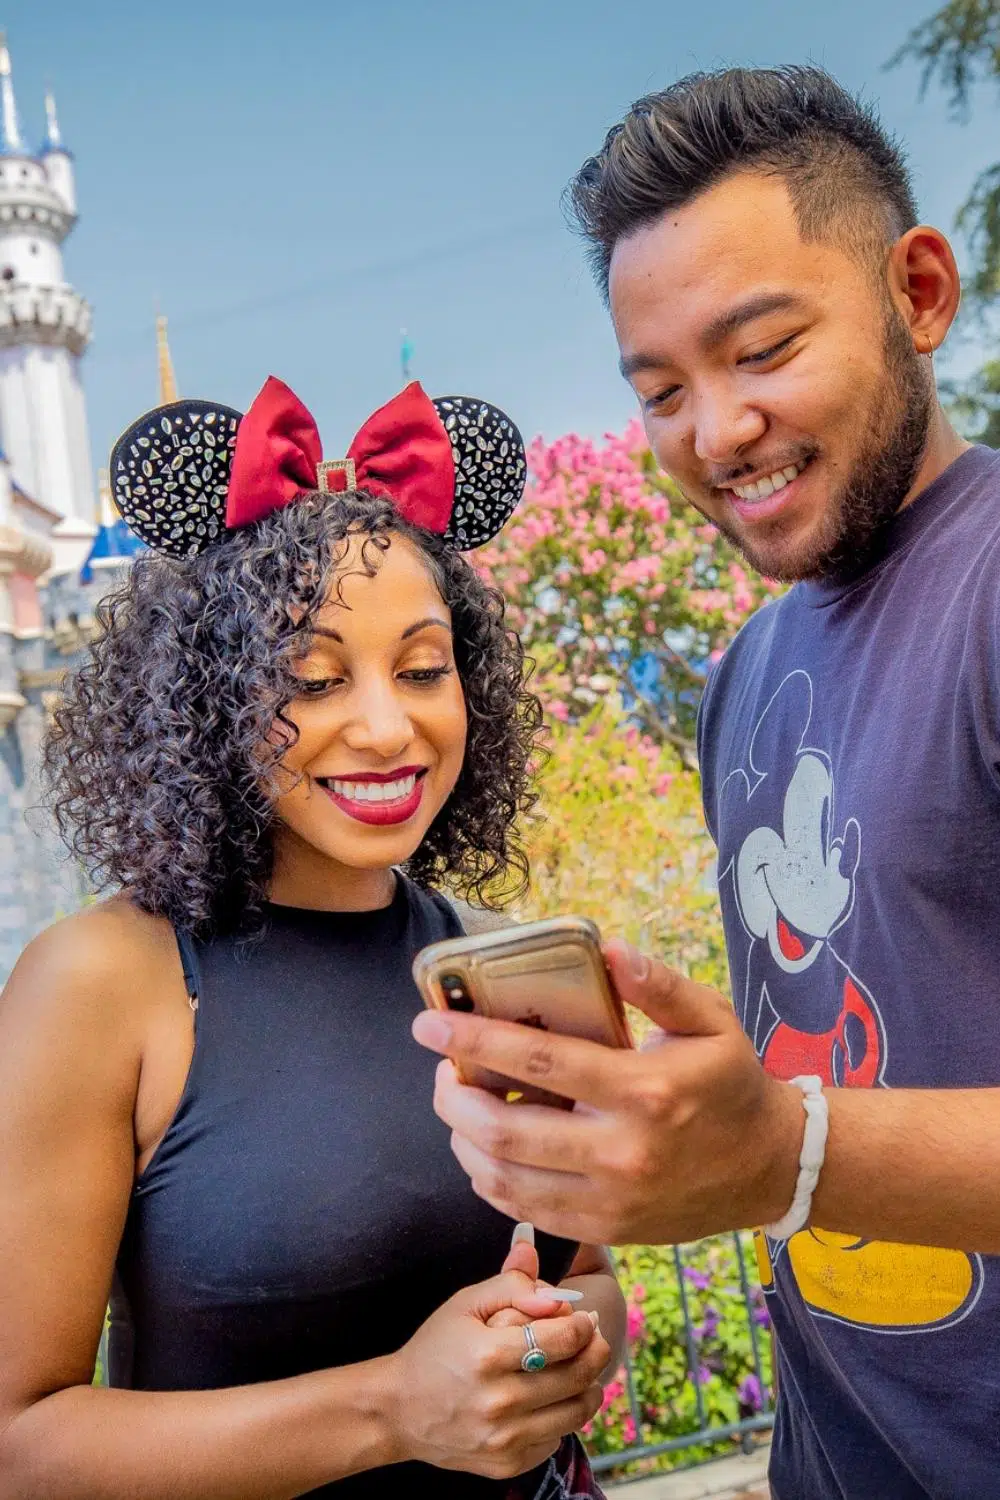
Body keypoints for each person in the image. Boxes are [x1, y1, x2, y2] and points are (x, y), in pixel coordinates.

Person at [412, 66, 1000, 1500]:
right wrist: (652, 1136)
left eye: (763, 349)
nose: (715, 430)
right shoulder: (744, 674)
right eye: (661, 389)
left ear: (919, 292)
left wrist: (778, 1155)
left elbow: (800, 1138)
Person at [0, 374, 625, 1500]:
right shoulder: (103, 984)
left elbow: (589, 1278)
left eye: (422, 669)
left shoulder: (494, 959)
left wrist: (555, 1343)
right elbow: (21, 1443)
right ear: (203, 702)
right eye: (311, 678)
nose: (386, 726)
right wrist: (396, 1409)